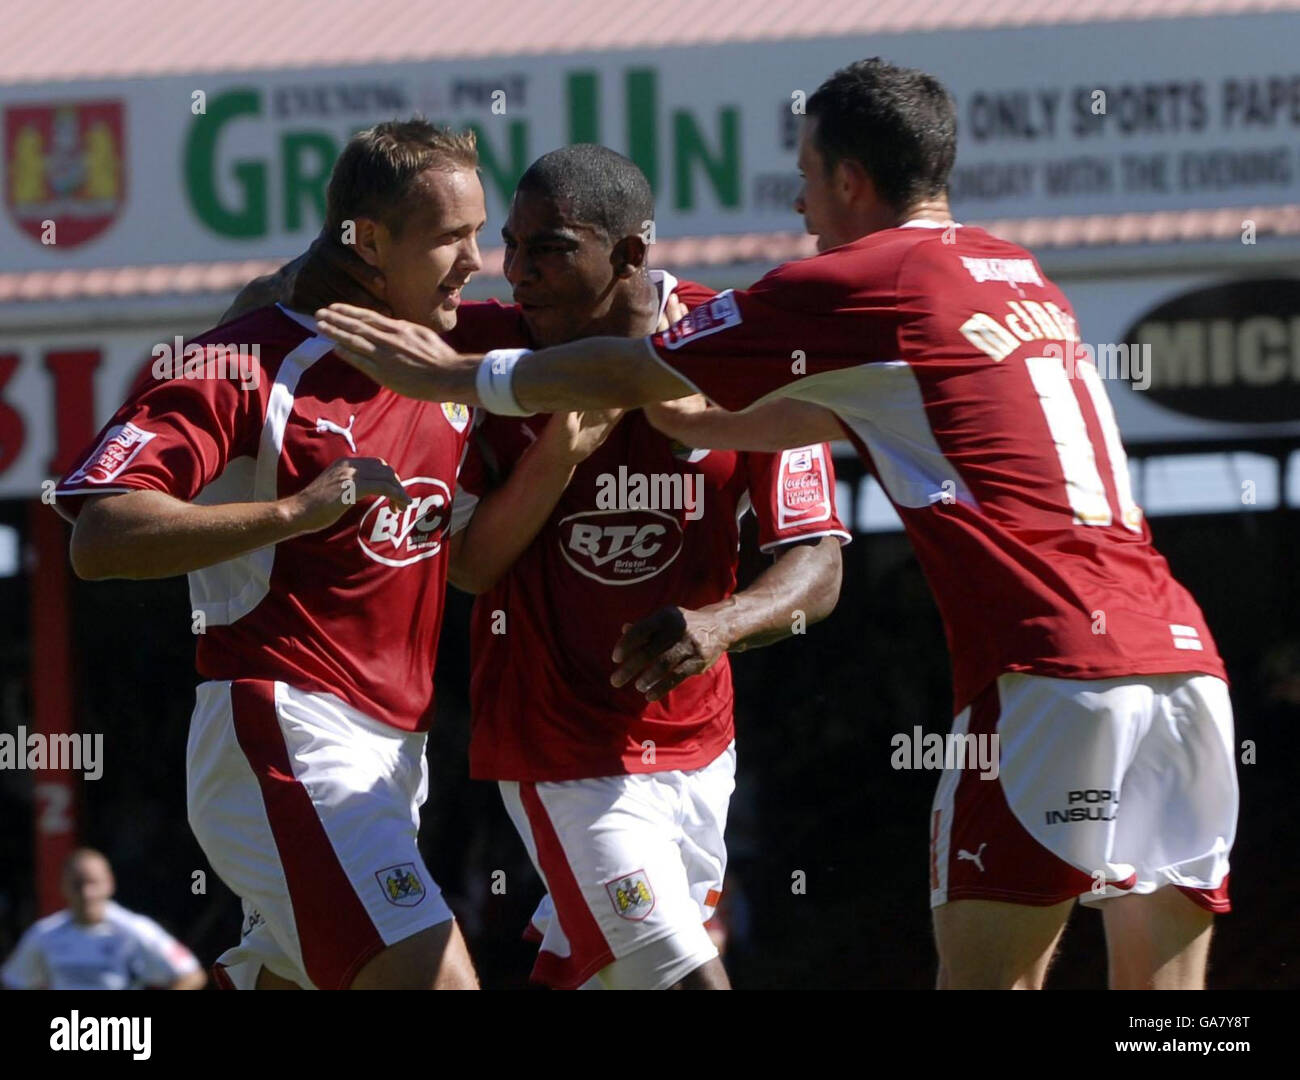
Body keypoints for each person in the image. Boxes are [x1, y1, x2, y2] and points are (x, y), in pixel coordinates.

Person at [314, 60, 1238, 991]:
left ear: (848, 180)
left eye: (805, 177)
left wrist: (453, 378)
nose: (799, 208)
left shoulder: (852, 286)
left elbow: (650, 379)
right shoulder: (1020, 274)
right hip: (1184, 667)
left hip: (1050, 673)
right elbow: (741, 415)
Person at [256, 144, 847, 989]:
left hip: (698, 747)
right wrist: (557, 457)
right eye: (512, 245)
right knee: (684, 976)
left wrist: (721, 623)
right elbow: (467, 566)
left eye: (552, 248)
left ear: (633, 255)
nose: (518, 273)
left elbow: (817, 564)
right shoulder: (485, 353)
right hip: (559, 752)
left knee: (595, 972)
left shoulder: (729, 346)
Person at [53, 121, 611, 990]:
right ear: (370, 241)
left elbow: (464, 563)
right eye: (449, 239)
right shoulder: (247, 361)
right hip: (284, 729)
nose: (476, 261)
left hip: (391, 759)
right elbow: (100, 534)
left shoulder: (449, 357)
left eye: (479, 235)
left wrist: (558, 457)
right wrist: (295, 511)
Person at [2, 849, 205, 990]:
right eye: (77, 884)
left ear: (109, 884)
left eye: (93, 883)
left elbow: (191, 975)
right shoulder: (45, 934)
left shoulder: (136, 930)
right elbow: (13, 981)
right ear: (63, 886)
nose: (86, 893)